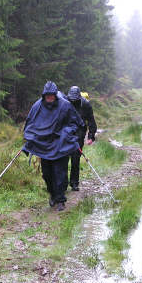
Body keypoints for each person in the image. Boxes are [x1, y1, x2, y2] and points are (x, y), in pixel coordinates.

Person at [23, 81, 84, 211]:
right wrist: (30, 140)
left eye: (52, 95)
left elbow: (75, 123)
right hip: (44, 146)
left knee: (60, 173)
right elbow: (30, 125)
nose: (50, 98)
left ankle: (61, 199)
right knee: (47, 174)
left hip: (61, 144)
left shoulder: (65, 105)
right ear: (44, 95)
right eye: (47, 96)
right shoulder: (37, 107)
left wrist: (67, 132)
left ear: (55, 95)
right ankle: (52, 194)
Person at [67, 86, 97, 191]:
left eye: (75, 99)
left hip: (80, 131)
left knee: (75, 158)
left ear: (79, 97)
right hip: (66, 132)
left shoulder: (86, 104)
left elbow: (91, 121)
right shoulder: (65, 101)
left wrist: (91, 136)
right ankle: (62, 183)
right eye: (71, 99)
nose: (73, 101)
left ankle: (74, 183)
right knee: (63, 158)